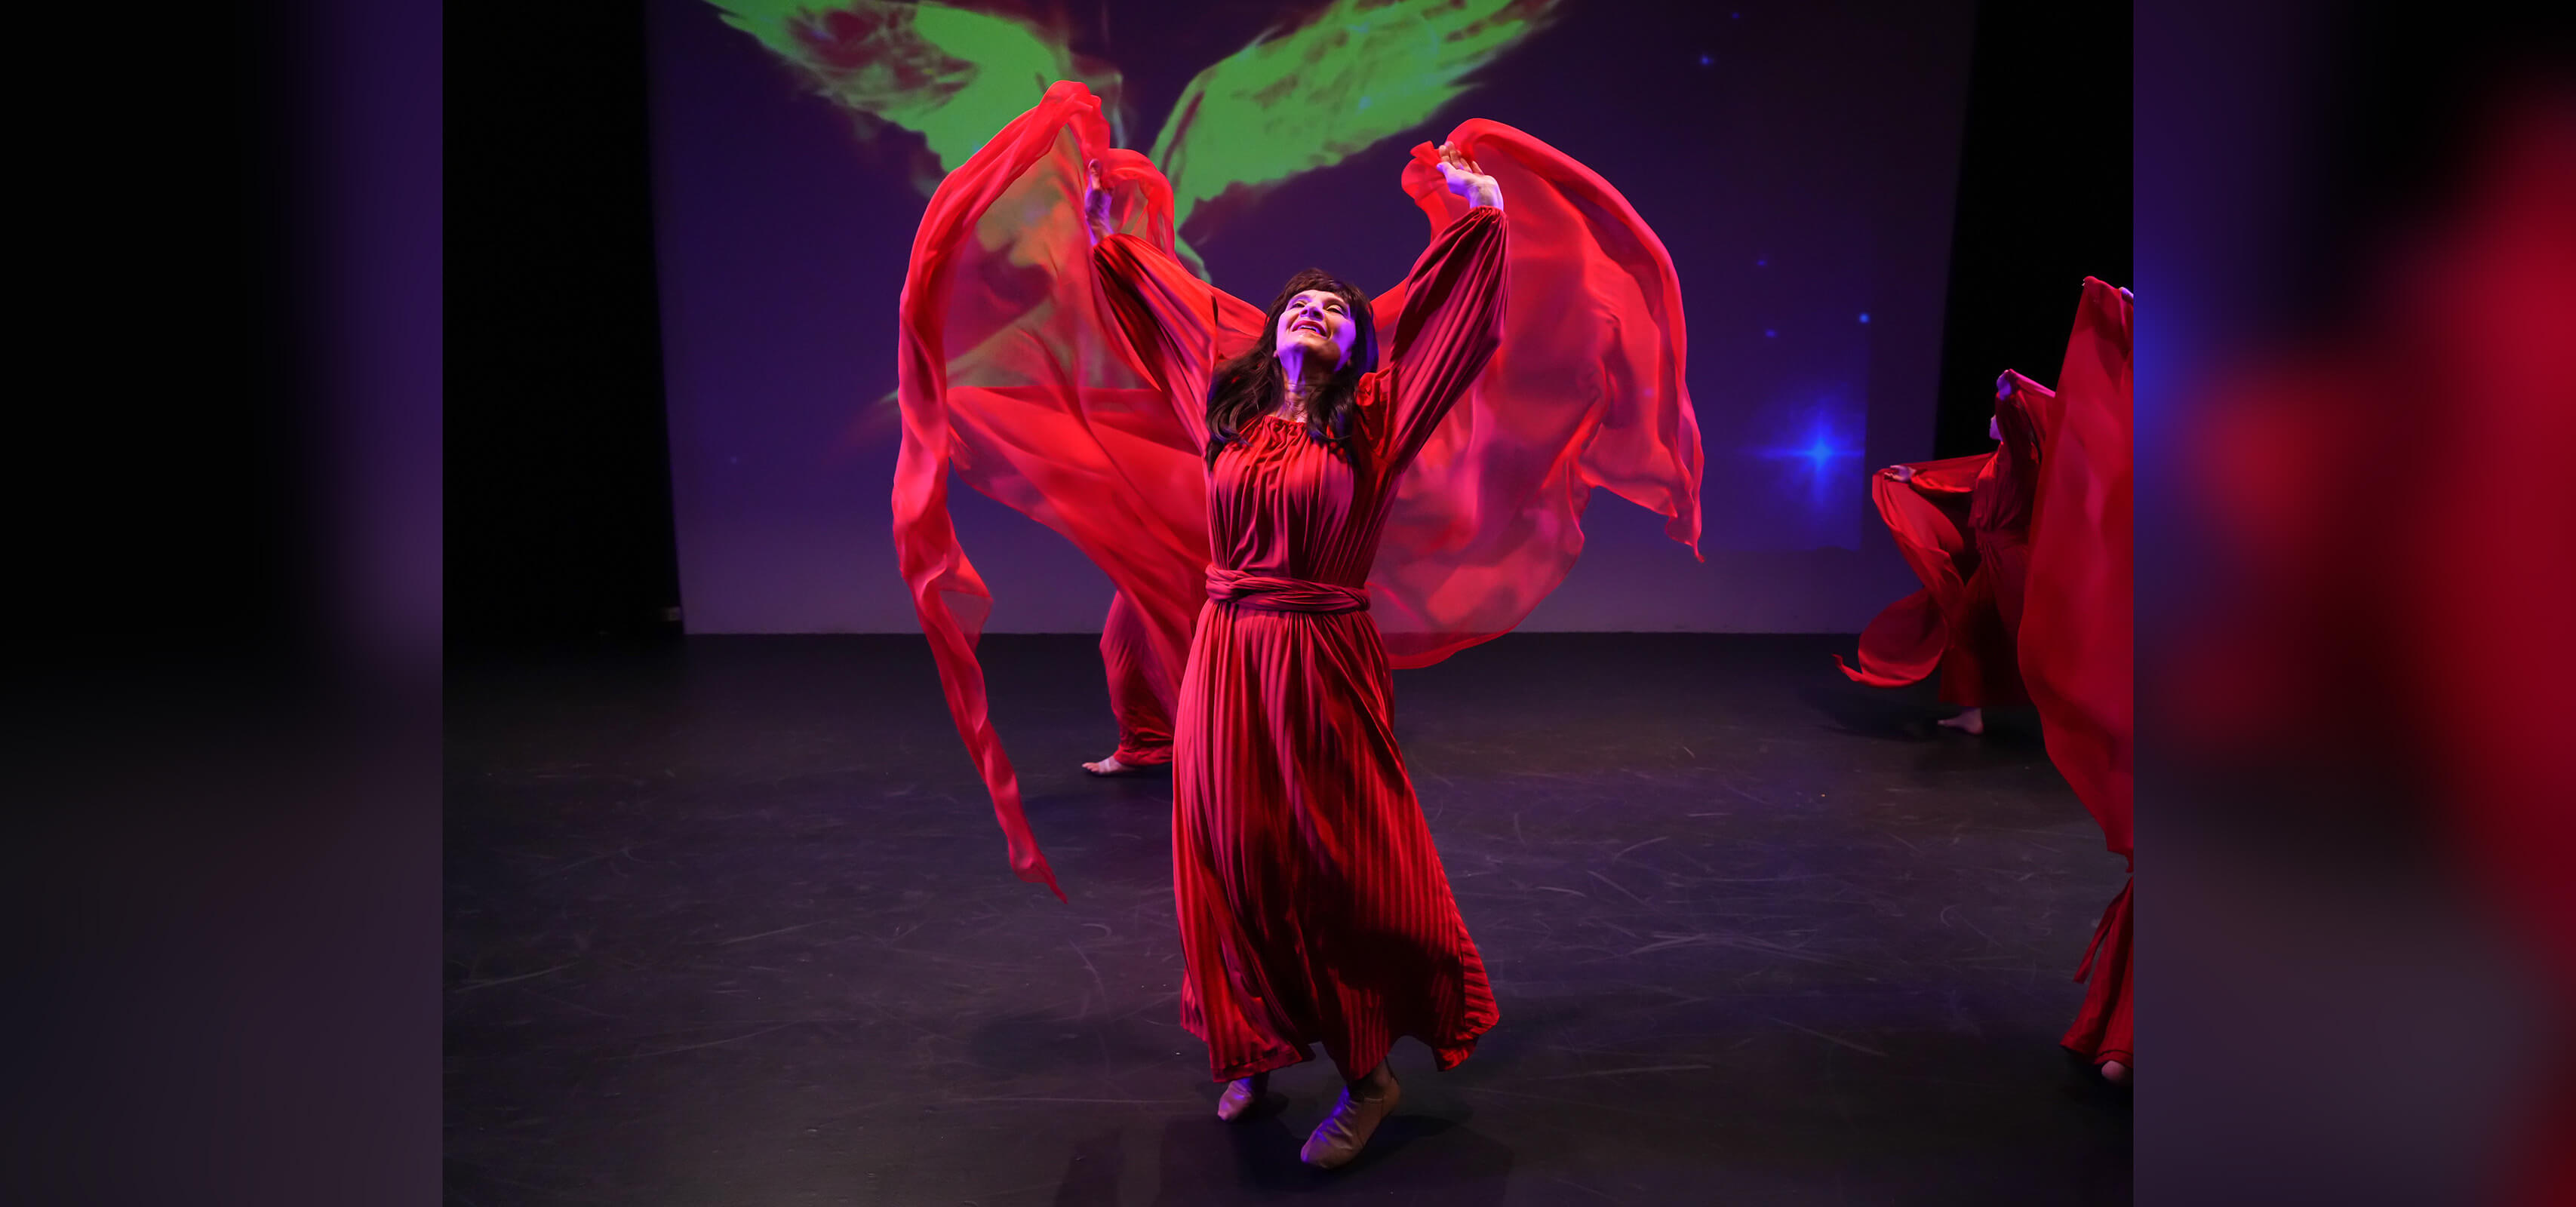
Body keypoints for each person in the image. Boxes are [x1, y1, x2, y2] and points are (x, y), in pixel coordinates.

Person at [1082, 140, 1507, 1169]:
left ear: (1358, 342)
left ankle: (1369, 1076)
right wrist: (1108, 241)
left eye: (1336, 308)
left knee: (1341, 864)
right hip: (1226, 655)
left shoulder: (1373, 418)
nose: (1313, 309)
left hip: (1321, 655)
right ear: (1270, 332)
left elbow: (1459, 330)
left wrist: (1480, 221)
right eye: (1296, 303)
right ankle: (1250, 1042)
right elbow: (1160, 323)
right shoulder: (1224, 419)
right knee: (1228, 858)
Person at [1836, 369, 2050, 734]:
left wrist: (2006, 393)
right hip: (1991, 559)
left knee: (2027, 640)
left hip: (2014, 559)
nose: (1991, 421)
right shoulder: (1994, 462)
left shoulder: (2021, 458)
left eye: (1997, 418)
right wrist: (1914, 479)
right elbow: (1959, 484)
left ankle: (2071, 718)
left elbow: (2015, 421)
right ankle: (1972, 715)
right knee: (1965, 629)